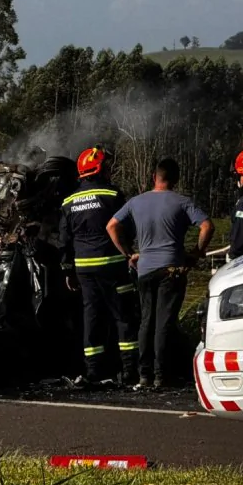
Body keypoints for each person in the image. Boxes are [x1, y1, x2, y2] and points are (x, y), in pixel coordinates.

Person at [107, 158, 213, 388]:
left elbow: (111, 226)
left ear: (154, 177)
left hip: (144, 269)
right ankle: (161, 375)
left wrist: (129, 254)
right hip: (171, 269)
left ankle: (144, 374)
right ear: (175, 180)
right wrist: (196, 253)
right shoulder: (182, 202)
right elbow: (207, 225)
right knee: (164, 322)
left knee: (147, 321)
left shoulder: (136, 202)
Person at [59, 146, 140, 386]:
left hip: (84, 269)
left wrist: (67, 270)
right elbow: (128, 227)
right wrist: (129, 252)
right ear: (100, 169)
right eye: (106, 167)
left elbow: (64, 240)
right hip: (113, 266)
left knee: (91, 317)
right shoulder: (113, 195)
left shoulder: (69, 201)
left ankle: (93, 370)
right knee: (123, 316)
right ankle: (128, 370)